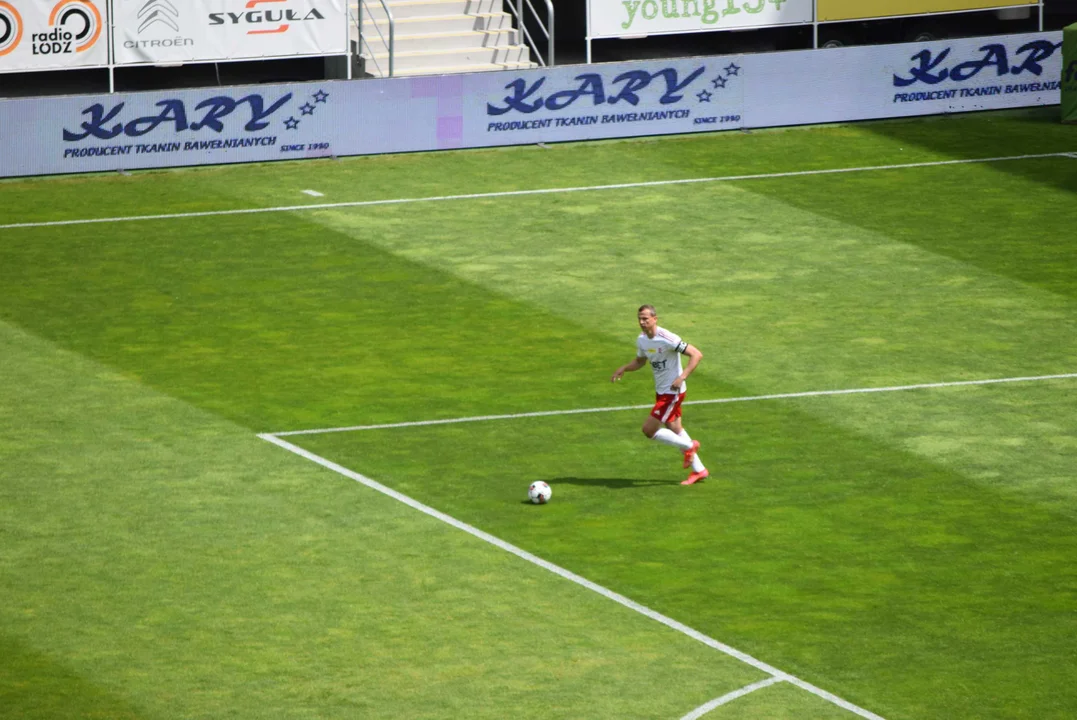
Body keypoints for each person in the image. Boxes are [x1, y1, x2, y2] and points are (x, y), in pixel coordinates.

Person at [611, 305, 709, 485]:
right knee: (675, 428)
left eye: (645, 319)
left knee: (648, 430)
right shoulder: (642, 340)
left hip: (672, 392)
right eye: (640, 319)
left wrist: (682, 377)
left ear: (655, 319)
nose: (642, 322)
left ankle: (689, 447)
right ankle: (700, 470)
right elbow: (640, 361)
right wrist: (625, 368)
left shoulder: (667, 338)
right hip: (661, 391)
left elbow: (696, 354)